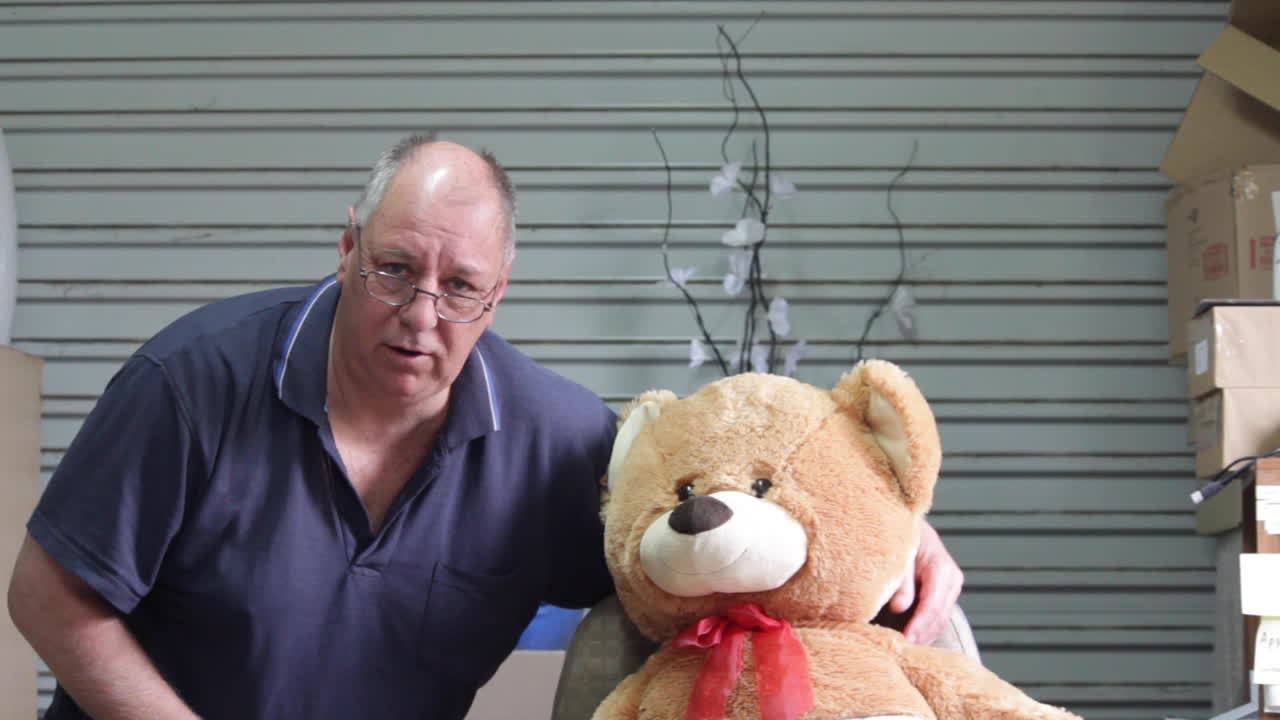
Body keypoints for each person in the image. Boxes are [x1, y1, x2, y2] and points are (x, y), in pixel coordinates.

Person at [7, 133, 962, 720]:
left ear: (497, 296)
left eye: (459, 287)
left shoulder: (552, 442)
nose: (421, 313)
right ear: (345, 251)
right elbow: (46, 595)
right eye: (393, 269)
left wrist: (892, 530)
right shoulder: (192, 381)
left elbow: (700, 504)